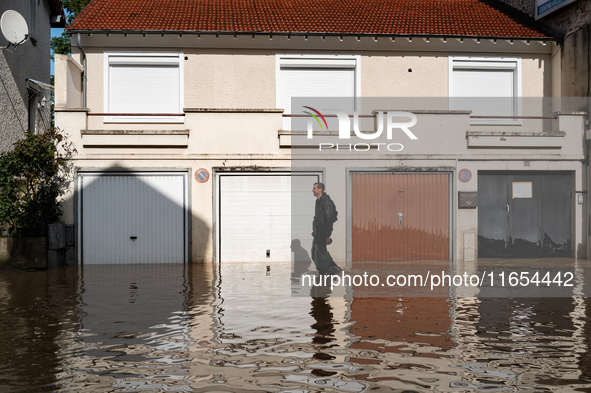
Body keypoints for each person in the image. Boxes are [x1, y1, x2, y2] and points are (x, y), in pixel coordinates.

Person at [311, 182, 342, 275]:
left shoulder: (326, 202)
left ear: (320, 190)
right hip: (318, 231)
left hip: (323, 232)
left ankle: (329, 273)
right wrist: (314, 230)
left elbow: (329, 219)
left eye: (314, 188)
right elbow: (317, 217)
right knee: (315, 252)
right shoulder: (318, 201)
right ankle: (331, 269)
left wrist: (327, 235)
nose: (312, 190)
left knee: (320, 252)